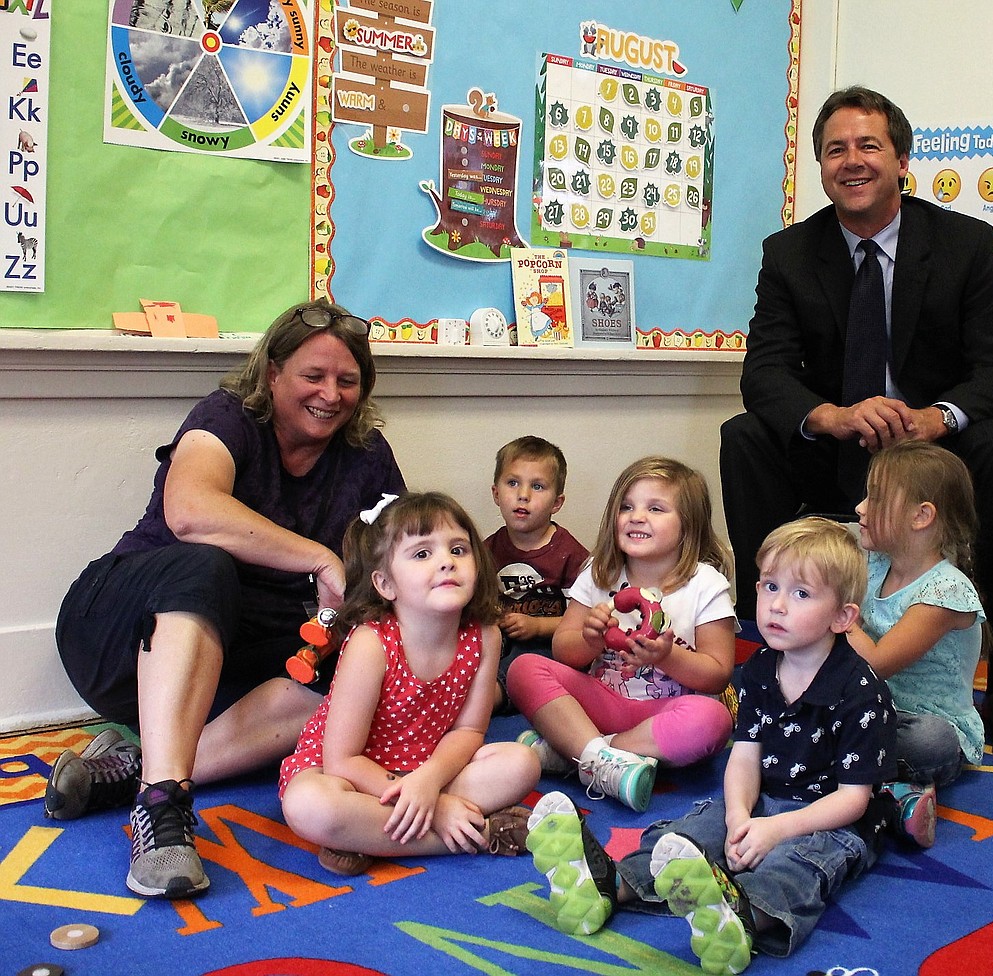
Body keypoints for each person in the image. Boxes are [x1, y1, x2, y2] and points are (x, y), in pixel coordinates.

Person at [719, 86, 993, 768]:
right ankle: (774, 647)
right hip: (837, 450)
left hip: (932, 455)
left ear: (901, 160)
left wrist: (935, 418)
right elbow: (766, 372)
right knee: (746, 435)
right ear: (820, 166)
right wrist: (831, 415)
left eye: (869, 145)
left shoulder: (961, 243)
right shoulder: (788, 253)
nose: (852, 161)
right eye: (835, 149)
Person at [49, 298, 407, 898]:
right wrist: (321, 557)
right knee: (205, 566)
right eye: (312, 376)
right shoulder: (227, 417)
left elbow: (402, 554)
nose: (330, 394)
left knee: (348, 679)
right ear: (272, 373)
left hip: (232, 665)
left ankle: (134, 772)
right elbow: (191, 513)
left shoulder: (367, 456)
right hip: (119, 627)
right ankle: (162, 817)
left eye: (348, 381)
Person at [525, 518, 898, 972]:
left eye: (801, 594)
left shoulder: (862, 690)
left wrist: (776, 830)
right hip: (762, 797)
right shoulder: (762, 667)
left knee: (795, 866)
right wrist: (739, 814)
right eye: (770, 587)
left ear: (843, 616)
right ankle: (608, 885)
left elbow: (854, 800)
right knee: (688, 835)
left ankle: (742, 920)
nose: (777, 606)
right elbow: (744, 755)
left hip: (829, 818)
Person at [279, 492, 540, 873]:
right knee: (310, 806)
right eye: (422, 554)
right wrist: (437, 809)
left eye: (458, 549)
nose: (447, 562)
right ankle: (480, 835)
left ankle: (370, 836)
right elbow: (342, 760)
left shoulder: (485, 635)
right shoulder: (371, 644)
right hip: (351, 775)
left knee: (522, 763)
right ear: (385, 584)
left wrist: (429, 783)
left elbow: (469, 730)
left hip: (429, 766)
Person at [508, 456, 736, 812]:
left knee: (713, 720)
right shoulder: (600, 574)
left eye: (655, 508)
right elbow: (563, 651)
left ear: (688, 525)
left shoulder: (705, 585)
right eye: (626, 506)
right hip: (602, 699)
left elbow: (718, 674)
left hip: (665, 714)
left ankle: (583, 752)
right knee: (523, 669)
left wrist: (667, 656)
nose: (636, 516)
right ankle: (599, 758)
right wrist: (591, 639)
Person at [848, 442, 985, 803]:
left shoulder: (945, 591)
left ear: (921, 516)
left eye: (875, 499)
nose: (860, 508)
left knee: (930, 743)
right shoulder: (875, 565)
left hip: (921, 721)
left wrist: (840, 618)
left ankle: (837, 765)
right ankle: (882, 790)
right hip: (873, 709)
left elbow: (875, 663)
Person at [484, 436, 589, 714]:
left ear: (557, 502)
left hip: (548, 645)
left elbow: (584, 620)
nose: (523, 495)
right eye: (513, 483)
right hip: (502, 640)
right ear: (496, 493)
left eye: (538, 486)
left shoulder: (571, 555)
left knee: (528, 662)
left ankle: (490, 698)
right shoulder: (485, 551)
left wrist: (537, 627)